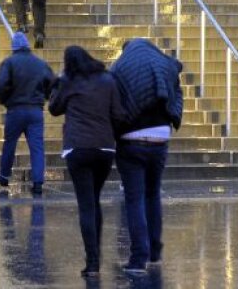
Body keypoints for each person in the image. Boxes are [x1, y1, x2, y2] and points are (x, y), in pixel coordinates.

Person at [48, 46, 127, 279]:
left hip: (78, 148)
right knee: (95, 199)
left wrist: (57, 86)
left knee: (86, 204)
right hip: (104, 148)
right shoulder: (107, 80)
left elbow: (54, 109)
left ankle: (92, 262)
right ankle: (96, 257)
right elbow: (118, 114)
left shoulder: (70, 81)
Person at [110, 38, 184, 275]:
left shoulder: (121, 68)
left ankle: (138, 259)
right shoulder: (163, 63)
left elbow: (116, 105)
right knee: (153, 195)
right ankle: (155, 252)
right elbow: (176, 85)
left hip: (132, 140)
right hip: (161, 137)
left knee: (134, 199)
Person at [0, 31, 56, 196]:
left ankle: (4, 176)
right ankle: (37, 182)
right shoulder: (40, 63)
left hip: (15, 110)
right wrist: (45, 96)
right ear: (27, 45)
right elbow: (53, 82)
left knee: (10, 144)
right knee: (37, 147)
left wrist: (4, 100)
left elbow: (1, 84)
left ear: (13, 47)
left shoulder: (9, 63)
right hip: (35, 111)